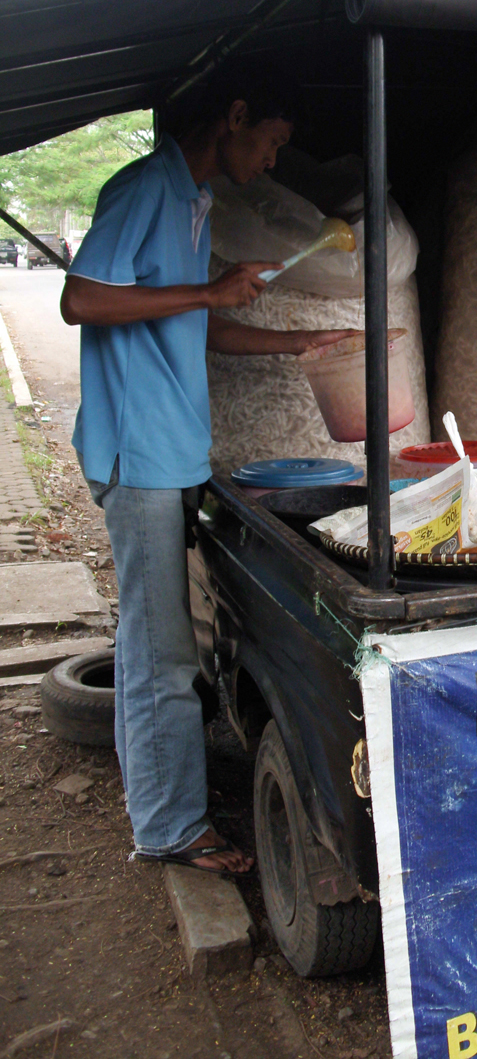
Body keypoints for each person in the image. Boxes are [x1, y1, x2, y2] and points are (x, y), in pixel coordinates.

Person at [61, 62, 354, 874]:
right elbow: (80, 299)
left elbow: (202, 325)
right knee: (161, 651)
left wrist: (298, 344)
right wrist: (209, 292)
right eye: (271, 142)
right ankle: (170, 828)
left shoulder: (194, 203)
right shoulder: (144, 189)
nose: (270, 161)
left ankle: (160, 798)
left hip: (172, 450)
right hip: (139, 453)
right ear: (233, 114)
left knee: (152, 640)